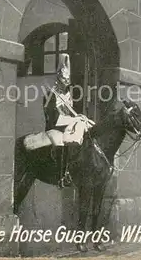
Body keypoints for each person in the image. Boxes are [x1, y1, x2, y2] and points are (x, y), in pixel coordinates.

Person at [43, 53, 93, 188]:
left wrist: (78, 118)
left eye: (67, 81)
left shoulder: (67, 94)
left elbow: (69, 113)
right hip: (54, 127)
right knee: (64, 141)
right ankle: (62, 176)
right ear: (58, 78)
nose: (65, 84)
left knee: (85, 128)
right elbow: (53, 118)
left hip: (66, 124)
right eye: (63, 80)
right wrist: (72, 120)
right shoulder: (50, 94)